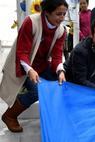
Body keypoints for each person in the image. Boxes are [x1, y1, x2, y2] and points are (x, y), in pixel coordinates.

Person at [0, 0, 68, 132]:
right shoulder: (31, 22)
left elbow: (57, 56)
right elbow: (22, 52)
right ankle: (9, 116)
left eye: (64, 14)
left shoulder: (61, 30)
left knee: (62, 83)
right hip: (22, 65)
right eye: (58, 14)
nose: (62, 18)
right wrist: (30, 70)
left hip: (41, 65)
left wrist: (60, 71)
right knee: (36, 91)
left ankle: (53, 118)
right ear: (47, 12)